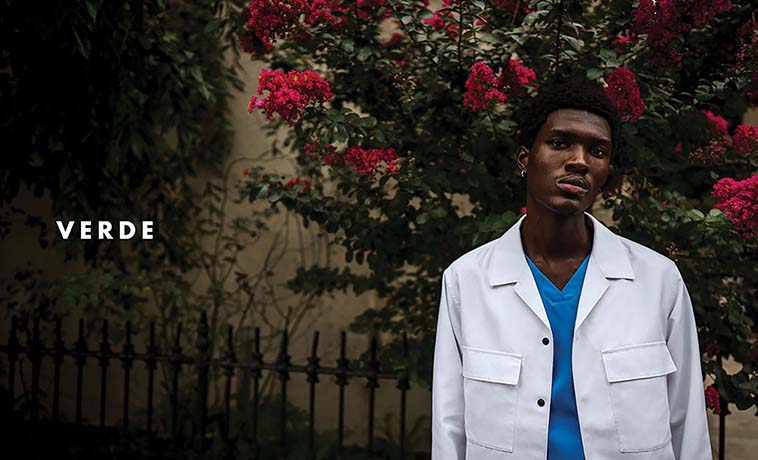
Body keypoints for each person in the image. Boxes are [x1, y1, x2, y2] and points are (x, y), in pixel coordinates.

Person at [431, 77, 712, 459]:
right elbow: (450, 427)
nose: (579, 160)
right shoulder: (467, 281)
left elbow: (687, 422)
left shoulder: (657, 280)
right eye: (560, 143)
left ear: (606, 171)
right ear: (524, 159)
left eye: (597, 150)